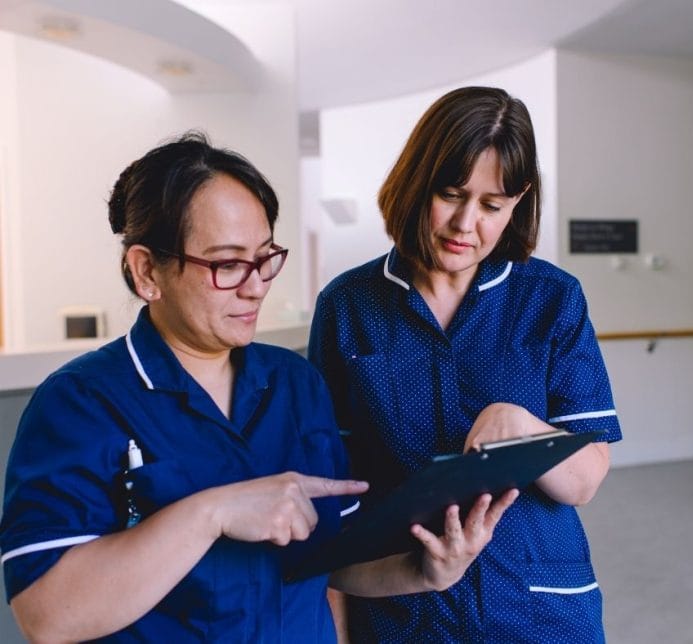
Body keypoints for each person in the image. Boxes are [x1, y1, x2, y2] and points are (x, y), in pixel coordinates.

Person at [0, 131, 518, 642]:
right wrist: (211, 513)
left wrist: (425, 572)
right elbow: (47, 615)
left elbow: (333, 564)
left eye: (265, 258)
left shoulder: (296, 385)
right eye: (227, 264)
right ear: (146, 271)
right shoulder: (80, 402)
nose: (255, 286)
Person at [308, 86, 622, 643]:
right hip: (404, 608)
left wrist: (525, 429)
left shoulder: (552, 299)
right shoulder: (347, 306)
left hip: (537, 607)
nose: (465, 224)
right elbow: (333, 491)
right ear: (415, 183)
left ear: (518, 203)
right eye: (450, 194)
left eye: (492, 206)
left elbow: (586, 479)